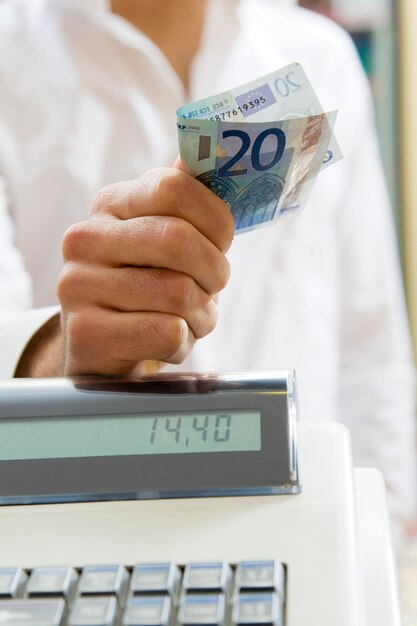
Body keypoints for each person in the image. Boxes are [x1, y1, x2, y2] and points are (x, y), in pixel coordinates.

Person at [0, 0, 415, 546]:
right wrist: (61, 354)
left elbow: (368, 349)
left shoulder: (324, 58)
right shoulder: (12, 60)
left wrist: (384, 547)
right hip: (96, 547)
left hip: (307, 539)